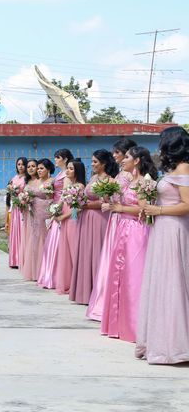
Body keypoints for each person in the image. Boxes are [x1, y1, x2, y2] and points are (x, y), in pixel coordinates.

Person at [136, 127, 189, 364]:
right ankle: (160, 339)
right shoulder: (171, 169)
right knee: (163, 282)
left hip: (175, 229)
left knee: (174, 282)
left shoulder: (184, 168)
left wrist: (157, 209)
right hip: (162, 228)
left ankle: (176, 345)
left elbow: (187, 204)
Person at [100, 146, 157, 342]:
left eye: (126, 157)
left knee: (134, 276)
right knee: (119, 275)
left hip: (136, 230)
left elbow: (144, 208)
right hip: (122, 229)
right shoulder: (129, 181)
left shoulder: (143, 182)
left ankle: (134, 326)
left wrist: (121, 207)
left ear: (138, 160)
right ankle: (118, 324)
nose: (122, 160)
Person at [86, 138, 138, 321]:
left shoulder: (130, 175)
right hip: (115, 218)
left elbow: (130, 197)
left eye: (117, 152)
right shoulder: (120, 174)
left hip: (123, 219)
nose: (115, 155)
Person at [69, 150, 118, 305]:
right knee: (85, 252)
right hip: (86, 218)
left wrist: (86, 204)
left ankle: (98, 292)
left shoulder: (110, 181)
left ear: (104, 163)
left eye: (95, 162)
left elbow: (107, 202)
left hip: (99, 219)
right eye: (92, 161)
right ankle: (85, 291)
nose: (92, 164)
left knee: (96, 251)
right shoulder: (93, 178)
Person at [37, 148, 73, 289]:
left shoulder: (67, 175)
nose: (56, 160)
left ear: (64, 159)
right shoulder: (59, 174)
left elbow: (65, 194)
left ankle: (57, 276)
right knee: (51, 242)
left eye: (58, 157)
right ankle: (50, 274)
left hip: (61, 206)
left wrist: (56, 209)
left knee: (57, 242)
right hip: (55, 204)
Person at [53, 160, 86, 295]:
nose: (68, 171)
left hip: (73, 219)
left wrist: (63, 217)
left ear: (77, 171)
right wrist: (56, 210)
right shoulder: (69, 185)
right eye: (67, 168)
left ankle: (76, 283)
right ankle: (66, 281)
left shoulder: (80, 186)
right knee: (65, 249)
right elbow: (62, 200)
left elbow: (78, 208)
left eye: (71, 169)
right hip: (65, 218)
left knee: (73, 250)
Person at [22, 158, 54, 281]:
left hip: (45, 212)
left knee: (44, 238)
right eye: (38, 168)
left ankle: (45, 270)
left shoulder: (52, 180)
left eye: (41, 168)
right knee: (35, 238)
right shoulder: (35, 181)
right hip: (34, 213)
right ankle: (35, 270)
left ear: (48, 169)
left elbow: (51, 197)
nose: (38, 170)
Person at [19, 159, 38, 278]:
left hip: (36, 212)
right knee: (27, 236)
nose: (30, 168)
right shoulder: (27, 181)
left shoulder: (40, 181)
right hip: (26, 212)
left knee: (34, 238)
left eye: (33, 166)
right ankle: (27, 264)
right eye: (29, 166)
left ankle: (35, 265)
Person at [8, 157, 28, 268]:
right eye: (18, 164)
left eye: (22, 164)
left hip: (22, 207)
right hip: (15, 207)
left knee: (21, 231)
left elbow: (26, 192)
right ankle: (14, 259)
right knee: (15, 232)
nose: (20, 166)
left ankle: (21, 259)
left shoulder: (26, 179)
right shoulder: (14, 178)